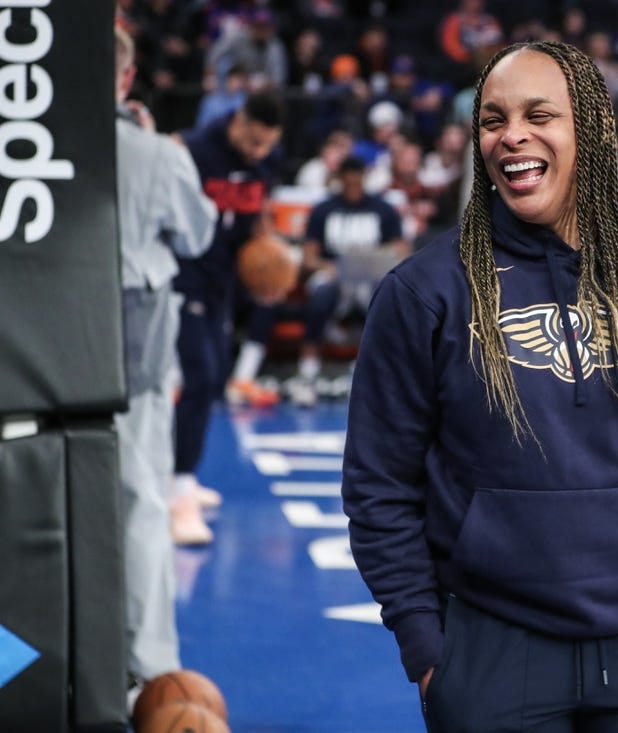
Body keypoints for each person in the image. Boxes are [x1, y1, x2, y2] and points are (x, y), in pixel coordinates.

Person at [342, 41, 618, 732]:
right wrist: (428, 646)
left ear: (589, 129)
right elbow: (379, 482)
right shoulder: (426, 290)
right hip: (491, 648)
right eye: (493, 119)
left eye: (539, 114)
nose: (512, 135)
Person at [114, 26, 217, 694]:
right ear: (124, 80)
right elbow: (199, 232)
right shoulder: (154, 153)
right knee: (138, 505)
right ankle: (146, 675)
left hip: (21, 355)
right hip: (124, 361)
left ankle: (15, 669)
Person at [173, 91, 284, 544]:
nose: (259, 151)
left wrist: (272, 255)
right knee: (197, 378)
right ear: (237, 121)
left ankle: (182, 474)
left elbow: (255, 219)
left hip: (222, 284)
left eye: (266, 145)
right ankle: (175, 491)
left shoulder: (263, 165)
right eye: (254, 141)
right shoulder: (192, 149)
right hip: (180, 279)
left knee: (215, 377)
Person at [284, 156, 406, 407]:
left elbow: (402, 252)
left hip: (370, 277)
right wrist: (333, 267)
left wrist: (376, 264)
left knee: (385, 298)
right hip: (332, 275)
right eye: (347, 180)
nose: (352, 185)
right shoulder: (324, 210)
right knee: (321, 296)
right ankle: (307, 374)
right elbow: (308, 258)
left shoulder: (382, 209)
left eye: (356, 180)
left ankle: (378, 376)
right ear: (339, 180)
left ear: (363, 179)